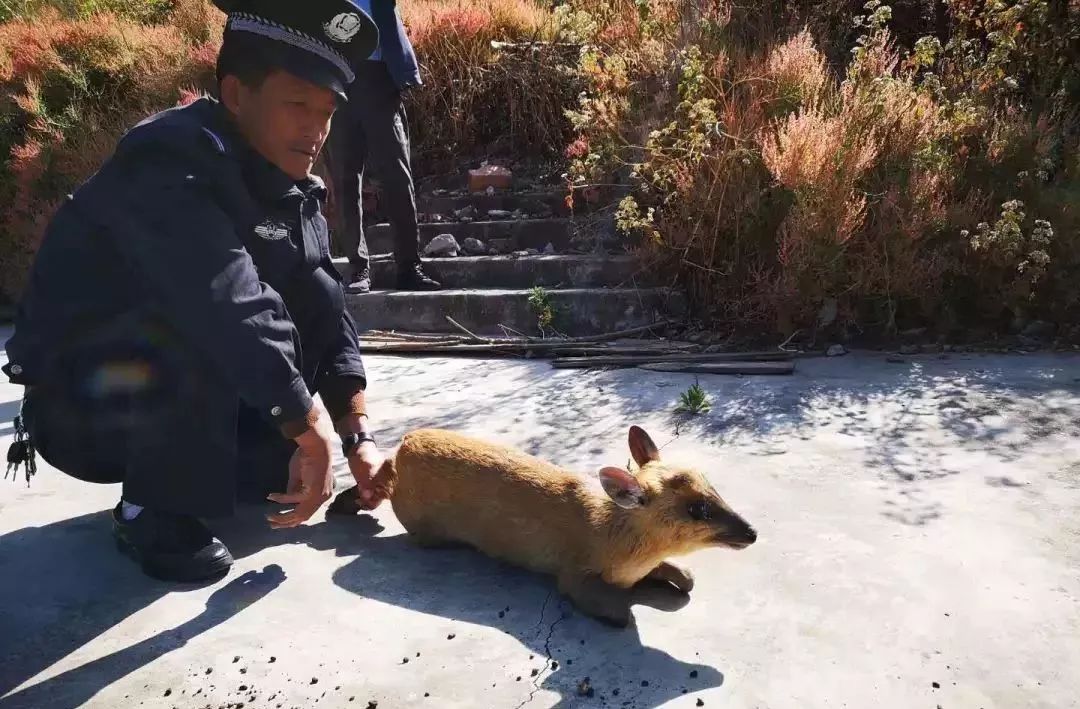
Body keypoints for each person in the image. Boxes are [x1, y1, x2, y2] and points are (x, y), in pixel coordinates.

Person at [1, 0, 393, 583]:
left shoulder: (290, 187)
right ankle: (148, 510)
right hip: (83, 405)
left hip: (175, 388)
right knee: (202, 315)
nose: (316, 129)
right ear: (236, 94)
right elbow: (224, 297)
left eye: (327, 110)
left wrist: (353, 436)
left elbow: (326, 309)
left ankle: (206, 468)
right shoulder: (166, 158)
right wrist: (305, 428)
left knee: (312, 285)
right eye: (297, 104)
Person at [324, 0, 440, 293]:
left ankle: (409, 266)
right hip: (337, 76)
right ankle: (358, 267)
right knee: (345, 177)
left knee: (397, 175)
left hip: (380, 76)